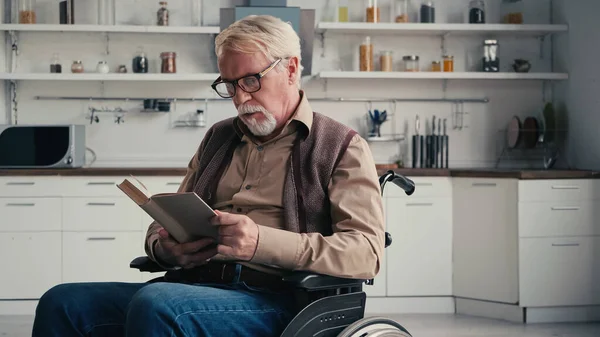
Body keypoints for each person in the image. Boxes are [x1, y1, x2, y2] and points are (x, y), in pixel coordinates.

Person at [31, 14, 385, 337]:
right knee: (61, 302)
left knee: (157, 304)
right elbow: (165, 220)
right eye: (229, 85)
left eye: (250, 80)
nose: (239, 97)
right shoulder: (218, 137)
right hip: (191, 285)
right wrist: (165, 249)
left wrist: (262, 242)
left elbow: (365, 252)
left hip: (280, 299)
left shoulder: (340, 146)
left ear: (291, 69)